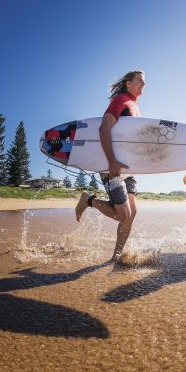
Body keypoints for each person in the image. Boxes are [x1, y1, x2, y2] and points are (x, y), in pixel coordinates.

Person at [75, 70, 145, 260]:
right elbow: (104, 127)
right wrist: (112, 161)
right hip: (111, 166)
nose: (143, 84)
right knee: (123, 215)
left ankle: (117, 255)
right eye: (140, 81)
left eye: (144, 82)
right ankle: (88, 200)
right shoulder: (121, 100)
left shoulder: (136, 107)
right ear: (128, 83)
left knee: (132, 213)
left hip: (128, 168)